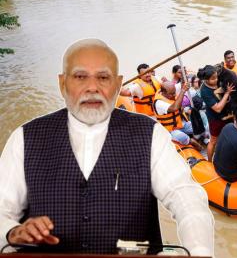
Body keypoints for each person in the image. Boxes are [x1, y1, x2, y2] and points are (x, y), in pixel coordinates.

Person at [0, 39, 214, 256]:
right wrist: (11, 232)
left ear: (118, 84)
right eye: (80, 76)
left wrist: (198, 250)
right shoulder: (24, 138)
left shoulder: (151, 133)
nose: (92, 87)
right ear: (62, 83)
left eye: (103, 77)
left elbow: (186, 197)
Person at [198, 65, 235, 162]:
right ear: (206, 79)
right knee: (213, 141)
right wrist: (227, 93)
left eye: (217, 77)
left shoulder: (219, 80)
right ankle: (209, 161)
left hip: (228, 115)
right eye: (213, 78)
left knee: (230, 136)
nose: (216, 79)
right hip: (215, 118)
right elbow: (218, 108)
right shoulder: (204, 91)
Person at [153, 81, 201, 150]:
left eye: (174, 92)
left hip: (179, 124)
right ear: (164, 93)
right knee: (183, 137)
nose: (174, 95)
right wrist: (183, 91)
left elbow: (179, 108)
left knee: (198, 127)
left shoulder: (170, 94)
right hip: (169, 129)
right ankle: (196, 145)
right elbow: (174, 108)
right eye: (171, 94)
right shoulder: (159, 103)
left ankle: (197, 138)